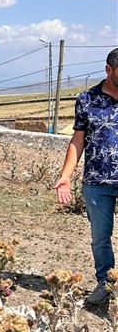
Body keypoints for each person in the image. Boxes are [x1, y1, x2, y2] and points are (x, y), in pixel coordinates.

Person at [54, 47, 118, 304]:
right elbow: (78, 139)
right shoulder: (86, 99)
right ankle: (106, 284)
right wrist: (66, 176)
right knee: (100, 238)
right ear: (108, 70)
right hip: (96, 182)